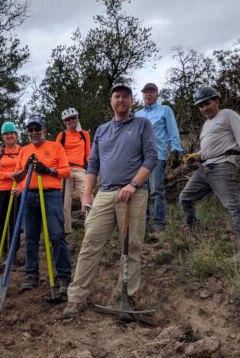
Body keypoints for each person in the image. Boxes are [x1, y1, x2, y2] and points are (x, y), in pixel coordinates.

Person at [62, 83, 157, 320]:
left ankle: (126, 297)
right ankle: (76, 298)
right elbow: (93, 165)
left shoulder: (142, 125)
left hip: (134, 194)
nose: (121, 100)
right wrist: (86, 196)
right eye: (117, 96)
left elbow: (152, 157)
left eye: (125, 96)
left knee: (131, 246)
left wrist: (133, 184)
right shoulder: (102, 130)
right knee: (90, 243)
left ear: (131, 100)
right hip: (104, 194)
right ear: (111, 100)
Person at [179, 86, 240, 260]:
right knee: (185, 198)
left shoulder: (228, 115)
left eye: (207, 103)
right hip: (205, 168)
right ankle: (195, 234)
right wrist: (196, 155)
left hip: (224, 166)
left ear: (216, 101)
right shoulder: (206, 124)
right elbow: (210, 149)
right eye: (200, 106)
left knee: (233, 206)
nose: (204, 108)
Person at [11, 115, 72, 294]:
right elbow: (15, 176)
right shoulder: (24, 151)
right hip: (29, 196)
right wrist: (25, 169)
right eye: (30, 130)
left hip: (51, 195)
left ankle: (64, 277)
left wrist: (47, 170)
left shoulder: (55, 146)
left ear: (44, 131)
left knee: (56, 235)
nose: (34, 132)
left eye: (38, 129)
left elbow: (67, 172)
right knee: (30, 237)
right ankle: (31, 276)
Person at [135, 82, 183, 232]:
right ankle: (145, 224)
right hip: (139, 159)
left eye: (152, 91)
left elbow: (172, 131)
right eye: (146, 92)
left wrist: (175, 150)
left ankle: (159, 224)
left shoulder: (165, 110)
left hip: (157, 156)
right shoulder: (137, 114)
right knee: (141, 192)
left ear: (157, 94)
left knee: (156, 190)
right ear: (143, 94)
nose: (148, 94)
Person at [0, 122, 22, 265]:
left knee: (14, 223)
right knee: (0, 221)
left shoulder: (22, 151)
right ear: (3, 136)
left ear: (16, 135)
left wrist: (20, 186)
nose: (9, 136)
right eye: (6, 134)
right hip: (1, 190)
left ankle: (12, 253)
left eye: (12, 133)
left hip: (16, 191)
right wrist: (10, 175)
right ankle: (0, 252)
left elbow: (25, 171)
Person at [56, 108, 91, 234]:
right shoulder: (62, 135)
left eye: (73, 118)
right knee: (65, 201)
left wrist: (92, 169)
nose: (71, 121)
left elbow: (88, 154)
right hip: (66, 170)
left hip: (80, 169)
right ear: (65, 122)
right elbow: (57, 154)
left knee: (88, 198)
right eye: (68, 119)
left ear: (77, 119)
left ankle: (90, 228)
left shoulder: (84, 134)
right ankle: (66, 231)